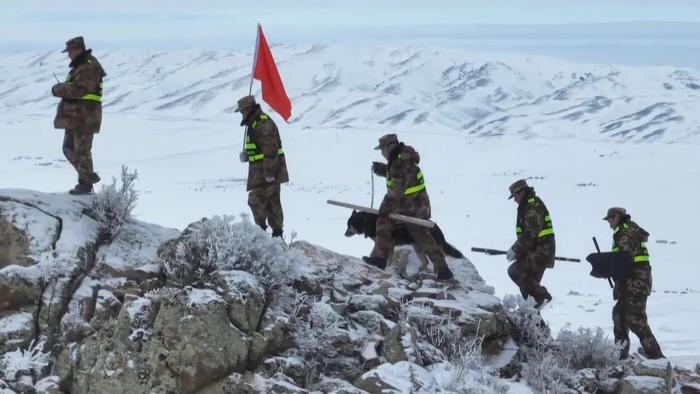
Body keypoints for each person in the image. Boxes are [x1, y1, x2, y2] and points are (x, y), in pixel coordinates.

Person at [363, 134, 454, 281]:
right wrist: (383, 170)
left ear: (389, 147)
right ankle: (443, 270)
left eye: (382, 150)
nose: (382, 153)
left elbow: (394, 193)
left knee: (386, 223)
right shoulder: (401, 160)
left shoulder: (400, 163)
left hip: (413, 207)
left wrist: (383, 210)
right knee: (420, 236)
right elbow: (398, 174)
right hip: (414, 204)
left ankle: (380, 259)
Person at [603, 207, 664, 359]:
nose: (609, 223)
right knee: (619, 316)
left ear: (616, 217)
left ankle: (657, 358)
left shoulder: (626, 234)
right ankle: (621, 357)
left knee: (635, 319)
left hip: (636, 283)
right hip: (628, 283)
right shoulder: (623, 233)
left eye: (610, 219)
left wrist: (607, 267)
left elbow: (623, 259)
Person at [51, 36, 106, 195]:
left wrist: (58, 89)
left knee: (82, 150)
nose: (69, 55)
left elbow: (80, 89)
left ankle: (85, 185)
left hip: (85, 117)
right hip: (76, 117)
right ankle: (88, 176)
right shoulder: (80, 66)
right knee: (68, 148)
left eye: (70, 51)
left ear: (78, 49)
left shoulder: (89, 66)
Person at [236, 95, 288, 237]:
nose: (241, 114)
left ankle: (263, 233)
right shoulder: (254, 123)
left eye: (242, 111)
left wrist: (269, 174)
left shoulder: (262, 124)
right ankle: (275, 237)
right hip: (261, 172)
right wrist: (248, 154)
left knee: (257, 201)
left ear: (248, 109)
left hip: (267, 173)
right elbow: (259, 149)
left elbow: (271, 151)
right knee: (271, 204)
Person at [506, 179, 555, 308]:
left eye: (515, 196)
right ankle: (537, 325)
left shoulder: (533, 206)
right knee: (528, 293)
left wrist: (515, 249)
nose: (515, 200)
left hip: (541, 252)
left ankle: (543, 296)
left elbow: (531, 232)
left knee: (515, 271)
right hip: (535, 252)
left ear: (521, 192)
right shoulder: (526, 206)